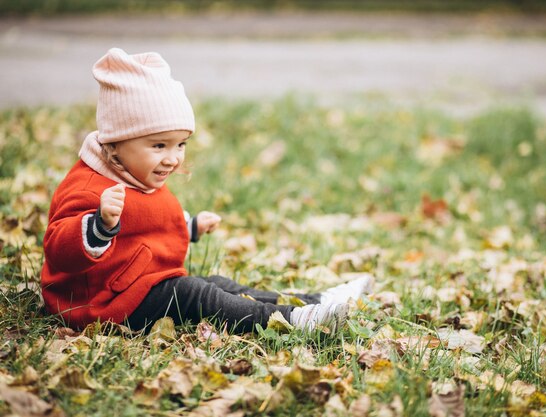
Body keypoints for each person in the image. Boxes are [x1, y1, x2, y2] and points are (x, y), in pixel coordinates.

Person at [41, 48, 373, 334]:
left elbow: (149, 221)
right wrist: (97, 226)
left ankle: (315, 301)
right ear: (115, 143)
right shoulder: (89, 188)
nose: (172, 158)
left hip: (140, 282)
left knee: (218, 284)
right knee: (194, 295)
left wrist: (189, 225)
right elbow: (58, 248)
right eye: (159, 145)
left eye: (181, 144)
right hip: (100, 303)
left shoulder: (135, 170)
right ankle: (292, 320)